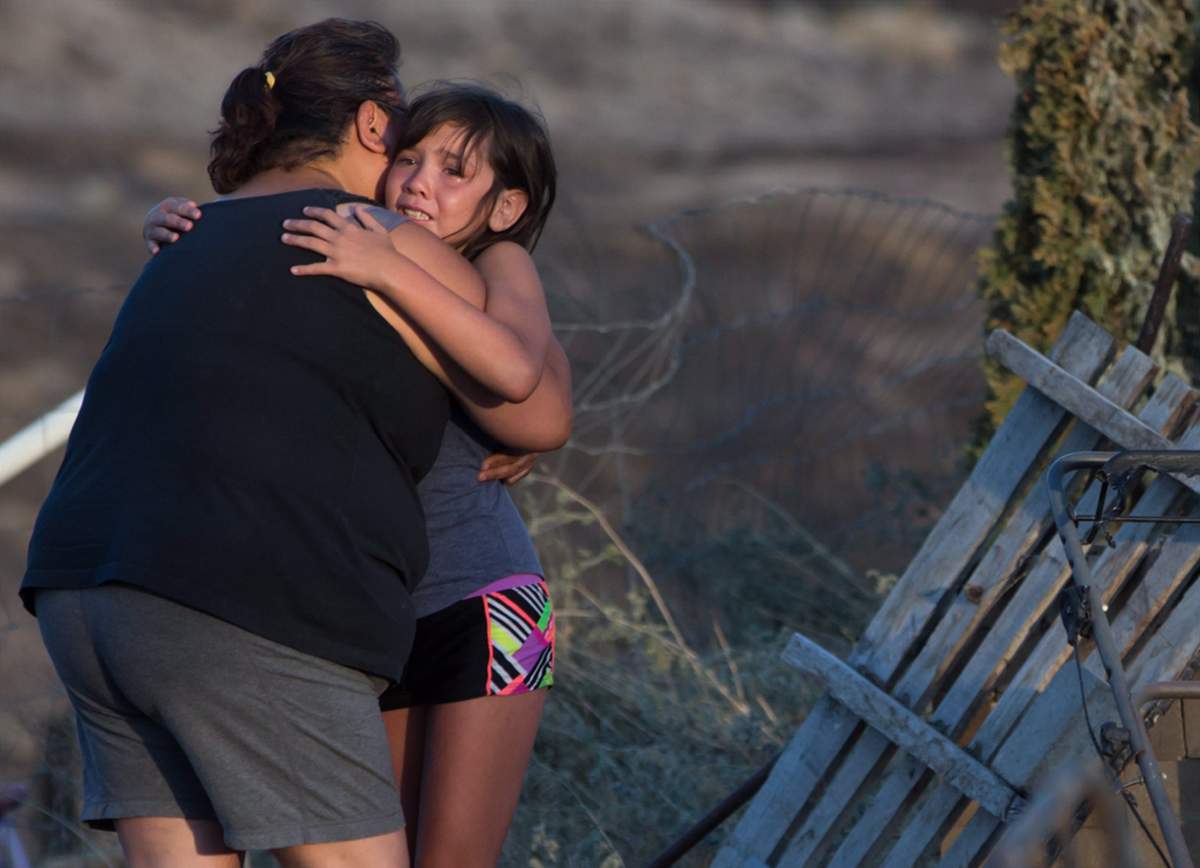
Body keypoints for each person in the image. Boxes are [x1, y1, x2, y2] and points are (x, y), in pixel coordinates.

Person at [21, 20, 564, 868]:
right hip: (343, 612)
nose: (418, 183)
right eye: (412, 154)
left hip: (482, 600)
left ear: (506, 207)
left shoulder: (461, 262)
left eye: (454, 173)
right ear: (376, 129)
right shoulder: (350, 235)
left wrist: (392, 274)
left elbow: (536, 400)